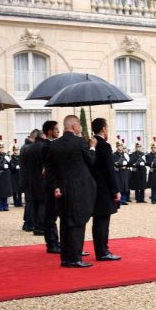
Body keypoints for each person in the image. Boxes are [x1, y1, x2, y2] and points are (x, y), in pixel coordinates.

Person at [47, 115, 97, 268]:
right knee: (77, 222)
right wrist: (93, 146)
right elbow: (90, 160)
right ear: (74, 126)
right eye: (79, 126)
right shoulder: (79, 142)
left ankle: (65, 258)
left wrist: (55, 186)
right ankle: (75, 258)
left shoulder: (54, 145)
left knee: (65, 222)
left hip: (61, 188)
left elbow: (50, 169)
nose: (80, 128)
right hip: (78, 188)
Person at [89, 118, 122, 261]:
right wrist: (116, 190)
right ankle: (103, 251)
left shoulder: (89, 144)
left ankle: (100, 249)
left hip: (92, 188)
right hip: (103, 189)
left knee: (98, 221)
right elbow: (109, 171)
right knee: (103, 222)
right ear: (103, 128)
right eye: (107, 127)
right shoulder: (104, 146)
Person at [41, 121, 61, 252]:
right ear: (49, 131)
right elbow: (51, 167)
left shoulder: (51, 145)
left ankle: (54, 241)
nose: (58, 132)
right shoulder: (47, 146)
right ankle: (52, 243)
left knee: (53, 215)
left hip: (52, 183)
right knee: (50, 215)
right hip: (51, 184)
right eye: (56, 130)